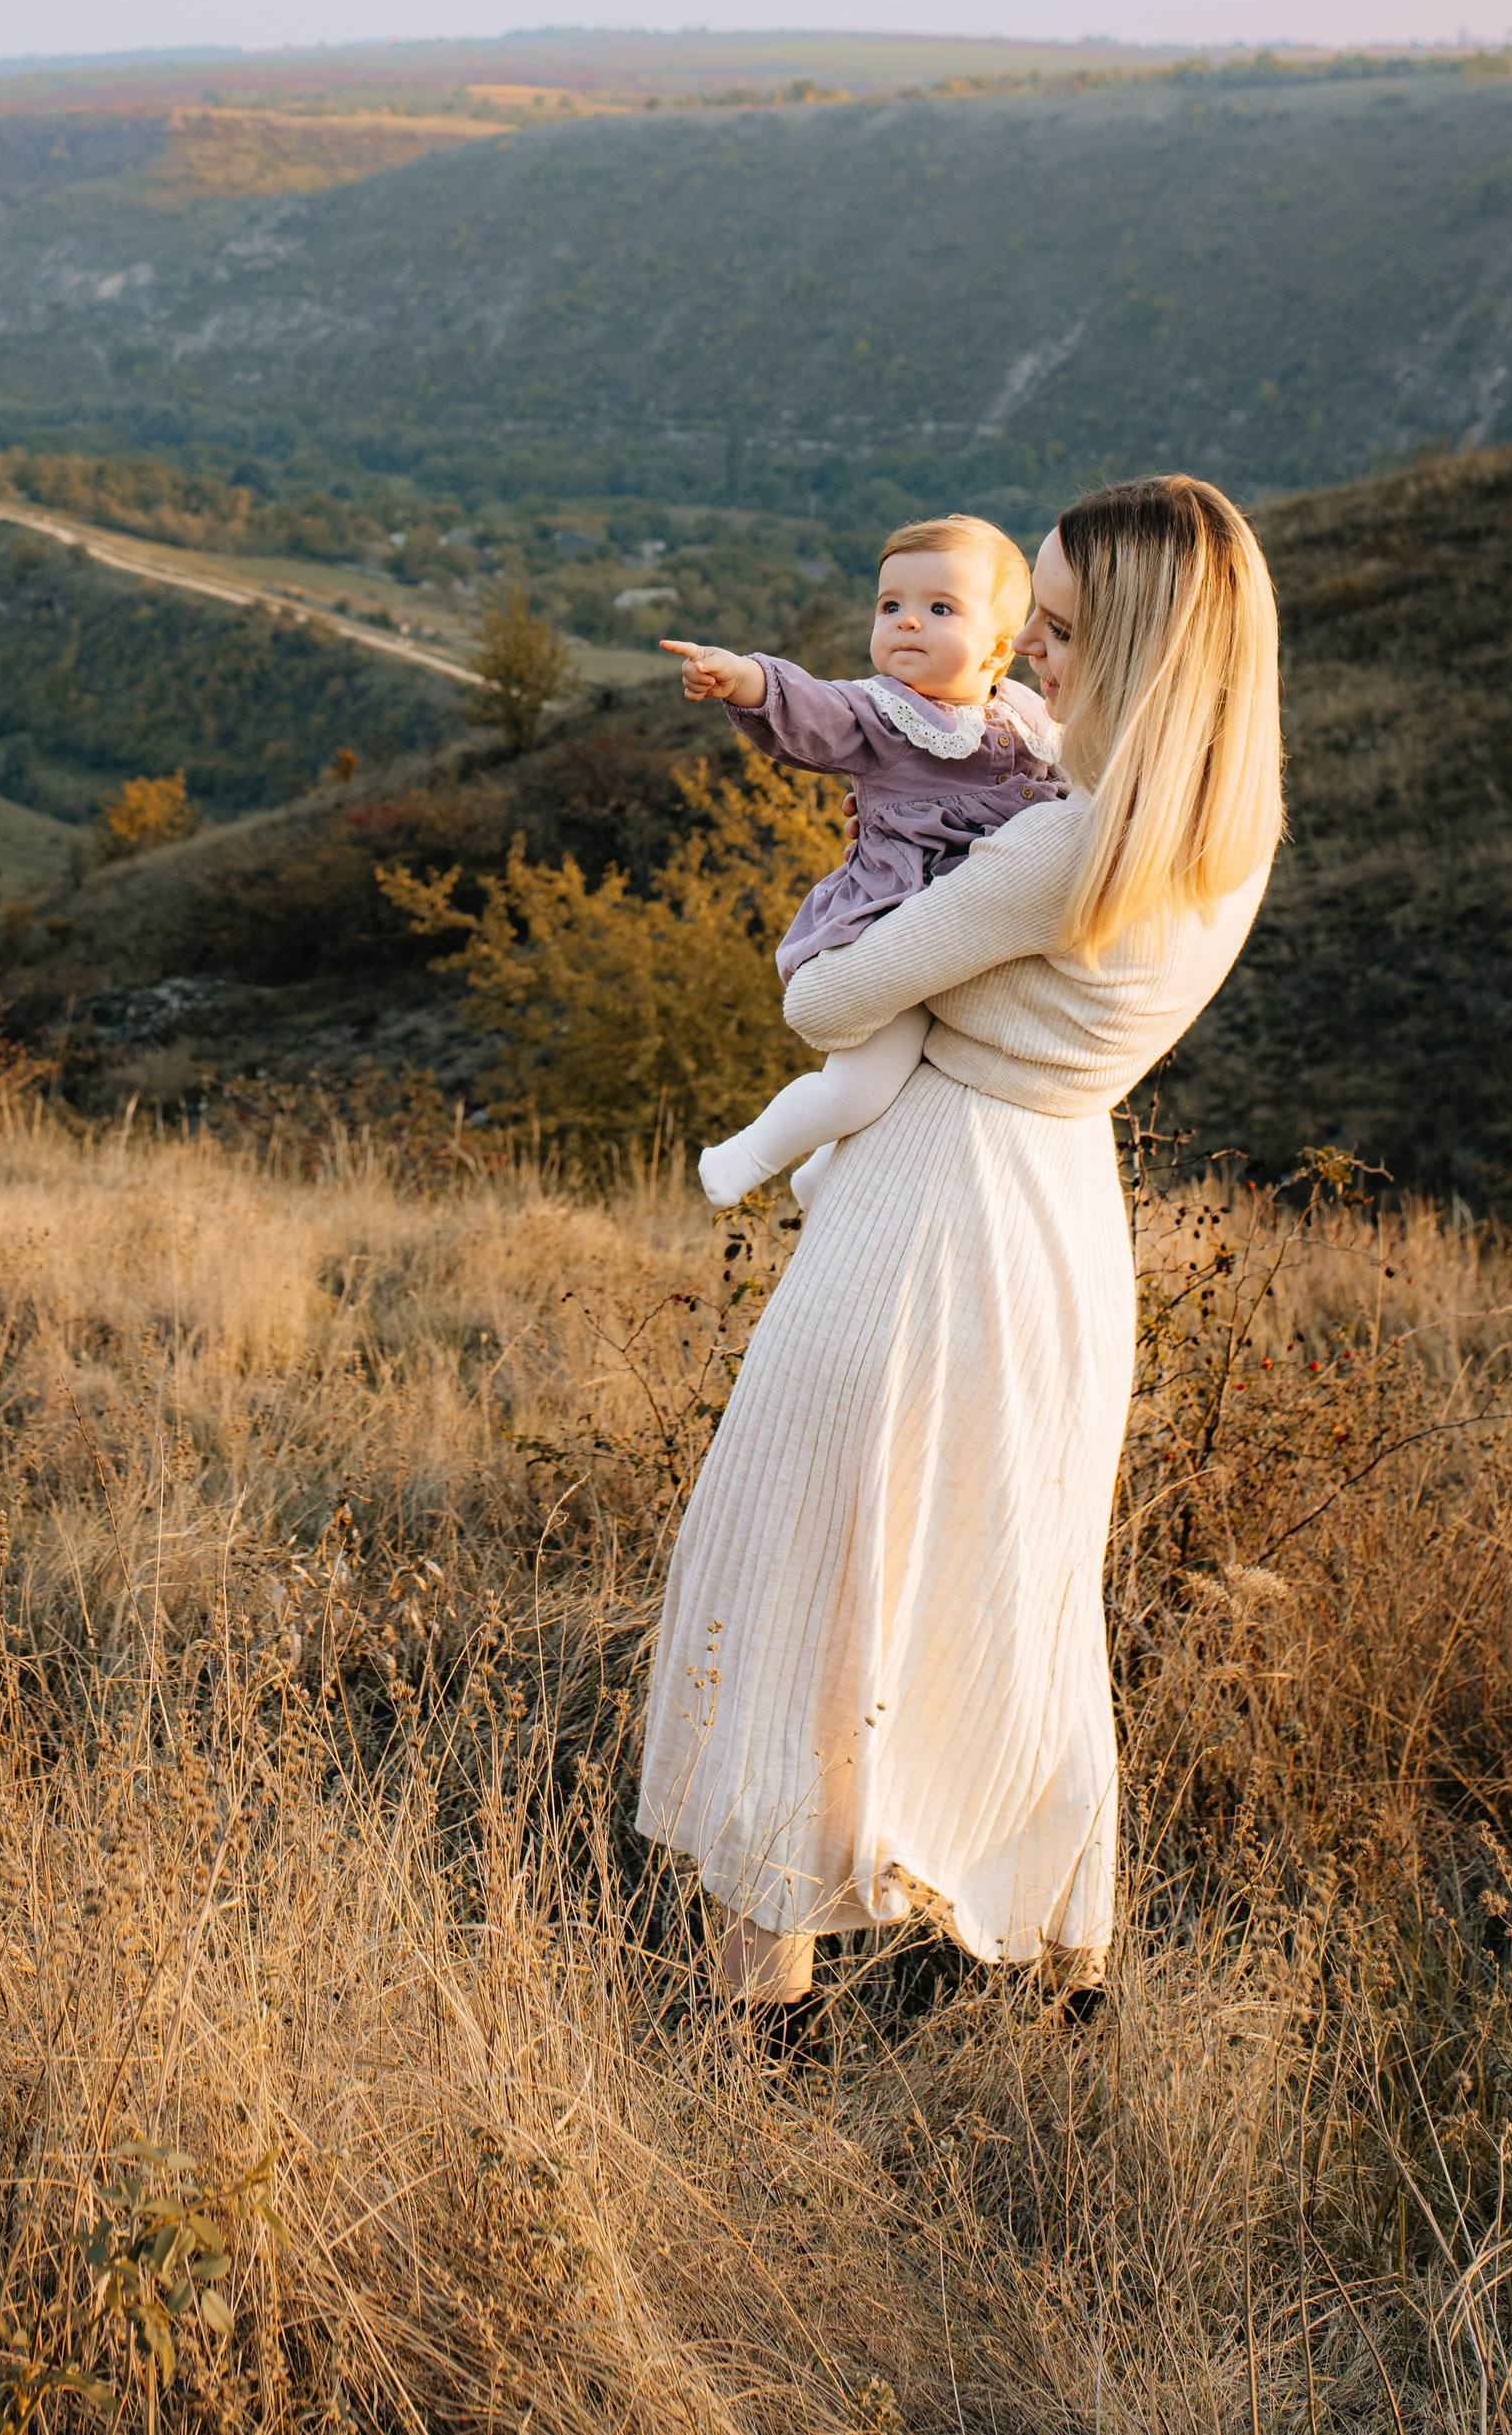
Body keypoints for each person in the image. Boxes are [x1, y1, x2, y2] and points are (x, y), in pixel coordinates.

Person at [635, 474, 1283, 2010]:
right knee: (1011, 1586)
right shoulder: (1221, 829)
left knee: (817, 1582)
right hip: (1061, 1218)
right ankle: (1059, 1966)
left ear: (1135, 643)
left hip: (927, 1220)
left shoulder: (1060, 851)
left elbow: (821, 1005)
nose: (1029, 658)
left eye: (1056, 629)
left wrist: (897, 954)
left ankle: (762, 2016)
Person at [664, 516, 1065, 1211]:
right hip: (896, 919)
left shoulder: (1026, 713)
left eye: (939, 608)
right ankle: (745, 1154)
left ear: (1000, 649)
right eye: (890, 606)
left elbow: (1070, 779)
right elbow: (816, 707)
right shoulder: (885, 712)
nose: (907, 622)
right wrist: (742, 677)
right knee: (863, 1080)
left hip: (980, 930)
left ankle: (822, 1172)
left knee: (922, 1072)